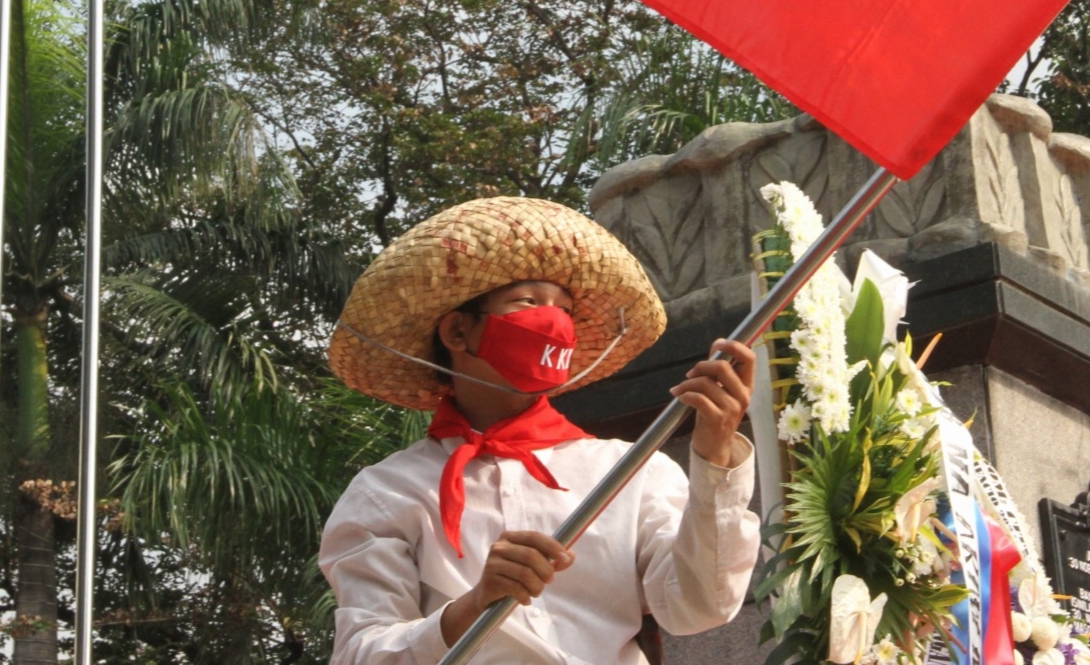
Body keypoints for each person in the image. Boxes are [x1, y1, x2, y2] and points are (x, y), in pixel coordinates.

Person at [320, 196, 760, 664]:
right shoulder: (385, 493)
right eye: (527, 302)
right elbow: (360, 654)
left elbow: (699, 606)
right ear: (456, 332)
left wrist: (716, 458)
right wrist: (472, 608)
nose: (553, 322)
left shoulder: (631, 470)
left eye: (564, 309)